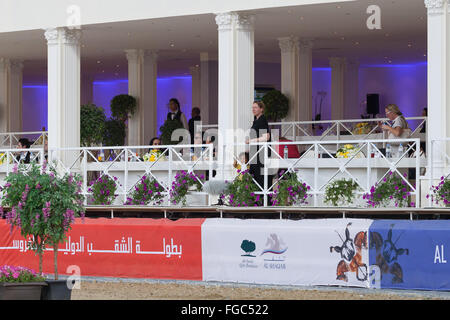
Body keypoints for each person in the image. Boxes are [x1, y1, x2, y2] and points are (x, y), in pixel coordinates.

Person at [246, 101, 271, 190]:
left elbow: (266, 137)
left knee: (260, 177)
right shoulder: (256, 120)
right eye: (252, 107)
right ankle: (256, 199)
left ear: (261, 109)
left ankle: (262, 200)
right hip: (255, 153)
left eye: (256, 107)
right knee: (254, 176)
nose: (253, 109)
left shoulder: (262, 120)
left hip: (260, 153)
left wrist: (251, 141)